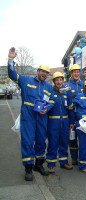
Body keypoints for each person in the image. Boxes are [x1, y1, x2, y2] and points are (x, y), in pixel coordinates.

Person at [7, 47, 54, 181]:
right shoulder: (25, 80)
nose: (44, 74)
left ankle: (38, 164)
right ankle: (28, 167)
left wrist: (48, 108)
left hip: (42, 117)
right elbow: (12, 75)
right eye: (42, 71)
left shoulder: (48, 86)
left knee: (40, 141)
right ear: (37, 71)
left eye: (46, 73)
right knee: (27, 141)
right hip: (28, 116)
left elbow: (51, 100)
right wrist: (11, 59)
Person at [46, 72, 74, 173]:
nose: (59, 82)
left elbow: (70, 108)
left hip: (65, 122)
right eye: (57, 80)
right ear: (54, 81)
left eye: (60, 80)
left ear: (63, 81)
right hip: (53, 121)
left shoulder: (67, 93)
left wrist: (71, 121)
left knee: (64, 142)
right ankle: (51, 164)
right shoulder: (51, 92)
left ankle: (64, 162)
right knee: (53, 143)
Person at [63, 64, 84, 165]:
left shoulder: (84, 84)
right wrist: (71, 120)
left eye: (77, 71)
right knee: (72, 138)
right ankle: (74, 157)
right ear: (71, 73)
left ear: (80, 73)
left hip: (82, 116)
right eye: (74, 72)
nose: (76, 73)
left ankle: (83, 157)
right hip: (70, 115)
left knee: (83, 138)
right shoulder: (66, 85)